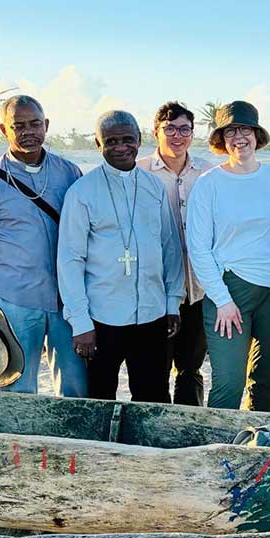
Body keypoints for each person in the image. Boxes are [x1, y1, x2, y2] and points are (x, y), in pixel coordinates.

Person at [0, 95, 87, 396]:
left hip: (68, 300)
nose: (29, 132)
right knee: (17, 389)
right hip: (14, 301)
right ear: (4, 130)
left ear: (46, 125)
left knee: (76, 388)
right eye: (19, 126)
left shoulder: (70, 173)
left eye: (35, 124)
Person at [186, 101, 270, 411]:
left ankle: (258, 447)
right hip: (230, 290)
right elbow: (198, 248)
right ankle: (215, 450)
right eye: (231, 132)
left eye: (245, 130)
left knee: (267, 380)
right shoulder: (208, 184)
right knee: (229, 380)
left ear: (256, 135)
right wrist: (222, 300)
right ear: (222, 139)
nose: (239, 137)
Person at [57, 110, 185, 402]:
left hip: (152, 314)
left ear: (139, 140)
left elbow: (170, 247)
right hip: (102, 318)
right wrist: (80, 322)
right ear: (97, 143)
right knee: (100, 397)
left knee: (153, 395)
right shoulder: (82, 192)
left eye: (127, 139)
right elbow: (70, 260)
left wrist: (172, 302)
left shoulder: (154, 187)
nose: (120, 147)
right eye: (111, 141)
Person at [137, 101, 214, 407]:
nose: (177, 135)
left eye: (184, 129)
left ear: (192, 133)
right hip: (155, 286)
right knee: (155, 367)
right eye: (170, 128)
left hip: (198, 286)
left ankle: (189, 423)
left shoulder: (208, 172)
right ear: (156, 131)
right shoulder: (140, 171)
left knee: (191, 366)